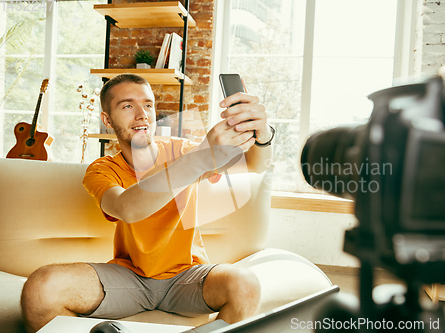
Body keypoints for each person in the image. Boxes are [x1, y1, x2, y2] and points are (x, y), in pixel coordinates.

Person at [20, 73, 275, 333]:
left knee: (246, 284)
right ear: (107, 119)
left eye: (149, 104)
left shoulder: (182, 151)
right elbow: (127, 208)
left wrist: (262, 132)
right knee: (41, 288)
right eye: (128, 106)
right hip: (130, 277)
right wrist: (199, 158)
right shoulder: (103, 170)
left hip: (187, 276)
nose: (142, 114)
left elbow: (257, 163)